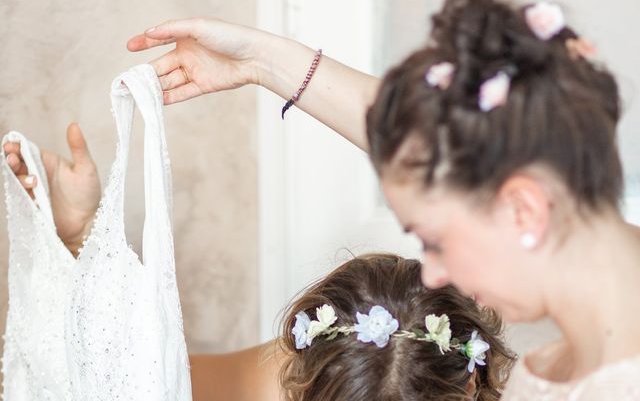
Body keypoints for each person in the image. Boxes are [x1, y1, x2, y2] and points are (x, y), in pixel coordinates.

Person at [6, 0, 640, 397]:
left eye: (436, 238)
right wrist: (262, 64)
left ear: (523, 208)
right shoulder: (565, 357)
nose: (437, 273)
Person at [2, 135, 516, 399]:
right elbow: (120, 375)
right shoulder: (266, 380)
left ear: (469, 389)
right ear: (294, 368)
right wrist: (79, 236)